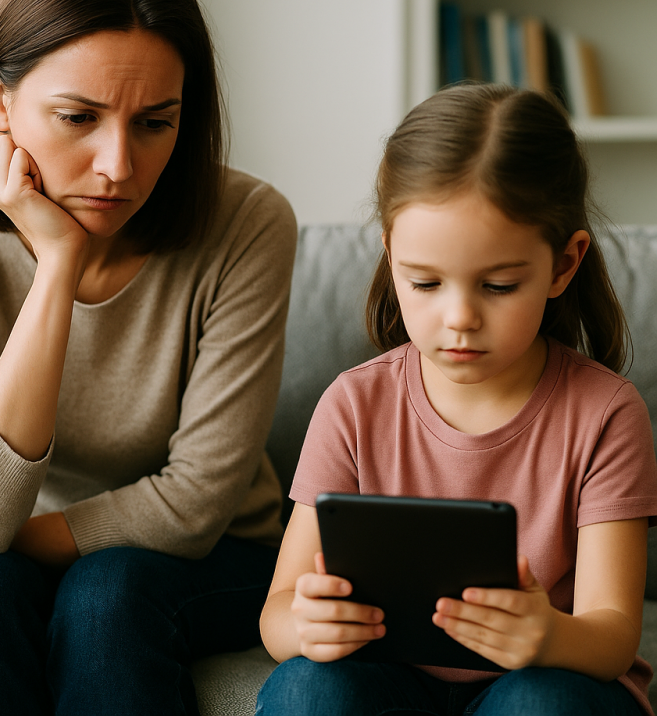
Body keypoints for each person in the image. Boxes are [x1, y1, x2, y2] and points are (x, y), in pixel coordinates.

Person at [0, 0, 296, 716]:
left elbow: (195, 503)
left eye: (156, 122)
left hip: (207, 554)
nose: (119, 167)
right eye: (78, 117)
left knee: (106, 590)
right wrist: (57, 267)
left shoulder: (249, 224)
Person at [256, 83, 657, 716]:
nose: (460, 318)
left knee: (541, 707)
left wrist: (547, 634)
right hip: (388, 676)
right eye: (425, 282)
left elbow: (611, 637)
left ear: (563, 264)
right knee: (307, 687)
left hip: (541, 680)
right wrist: (305, 626)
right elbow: (278, 617)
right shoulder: (354, 405)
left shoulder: (605, 413)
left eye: (498, 286)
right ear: (391, 259)